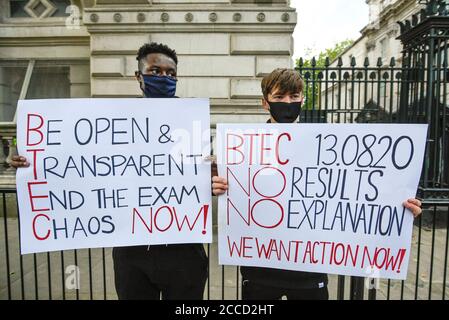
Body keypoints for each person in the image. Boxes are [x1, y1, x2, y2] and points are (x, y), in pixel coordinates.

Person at [11, 43, 208, 300]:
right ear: (138, 77)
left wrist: (212, 175)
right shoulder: (113, 122)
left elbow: (201, 178)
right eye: (155, 71)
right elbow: (77, 161)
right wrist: (34, 163)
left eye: (171, 74)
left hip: (184, 251)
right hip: (131, 254)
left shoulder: (192, 122)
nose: (164, 78)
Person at [211, 68, 423, 300]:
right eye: (279, 97)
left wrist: (397, 205)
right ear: (265, 103)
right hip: (260, 271)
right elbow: (236, 194)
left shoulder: (325, 145)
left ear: (303, 99)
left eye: (294, 96)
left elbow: (357, 190)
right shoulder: (242, 149)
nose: (287, 102)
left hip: (309, 272)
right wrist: (221, 186)